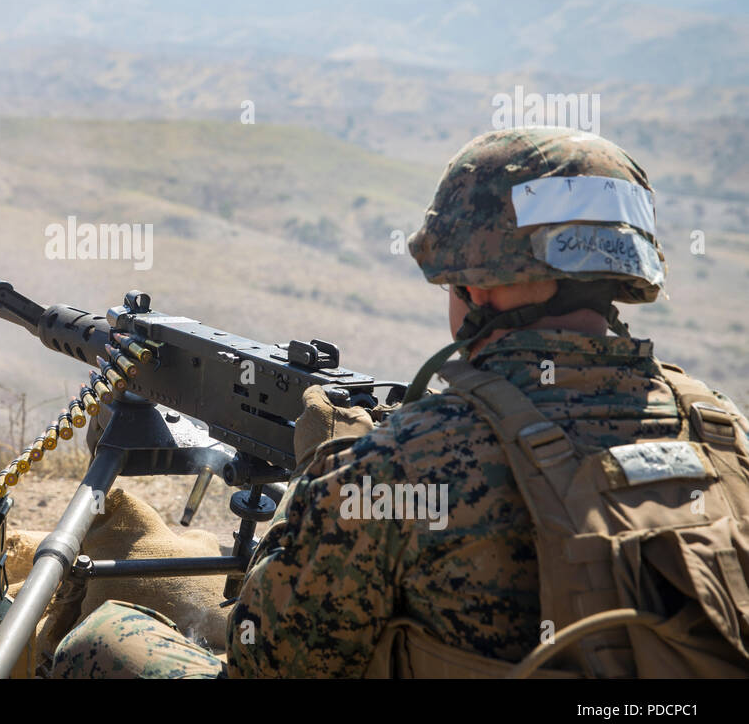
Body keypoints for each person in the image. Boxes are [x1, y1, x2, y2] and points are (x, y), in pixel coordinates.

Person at [51, 126, 749, 678]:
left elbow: (273, 662)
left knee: (107, 639)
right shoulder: (723, 432)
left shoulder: (401, 464)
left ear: (478, 286)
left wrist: (327, 479)